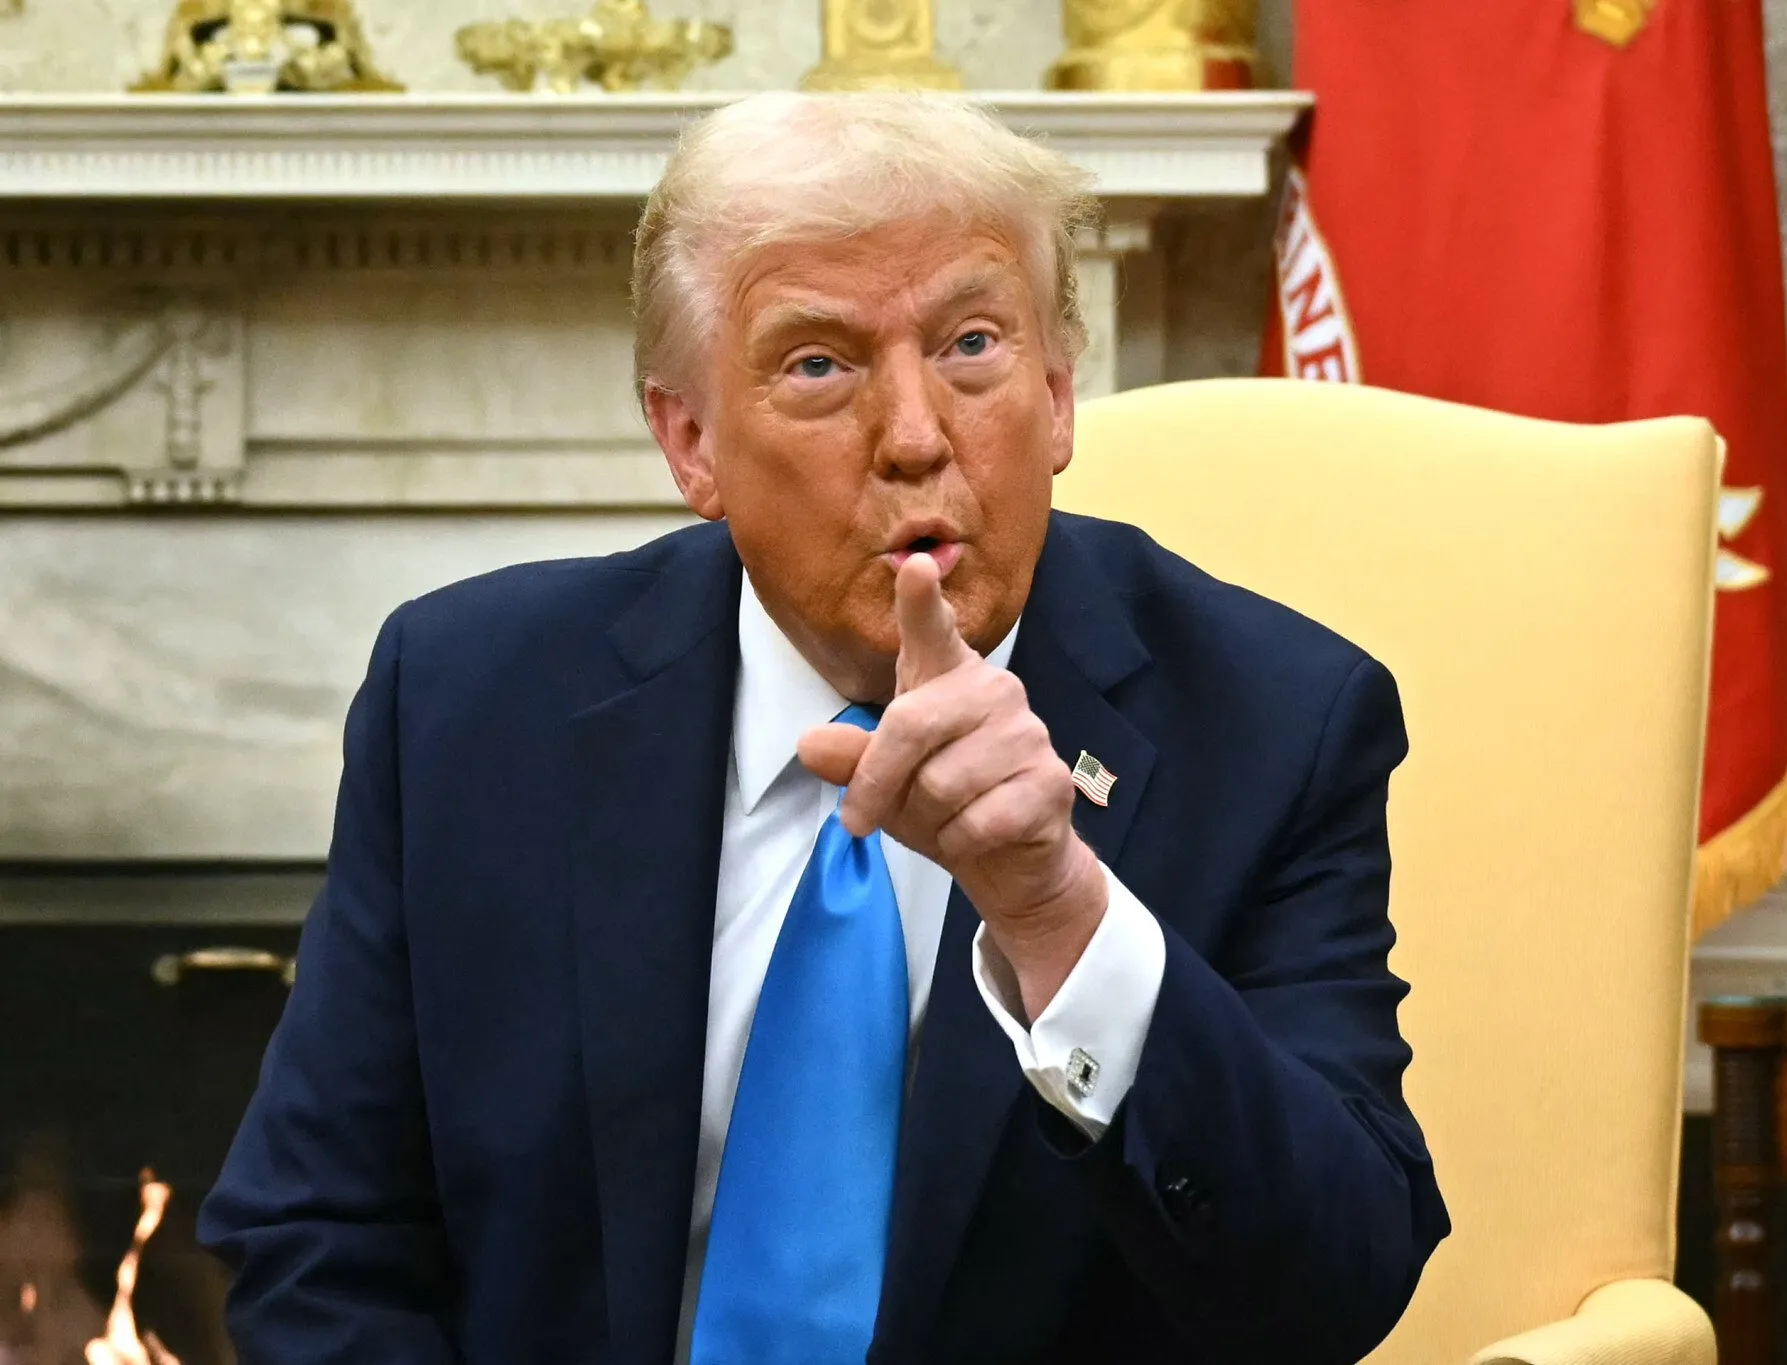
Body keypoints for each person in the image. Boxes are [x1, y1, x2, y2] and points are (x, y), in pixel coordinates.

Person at [198, 92, 1448, 1365]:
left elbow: (1332, 1288)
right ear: (690, 442)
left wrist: (1059, 913)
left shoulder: (1275, 721)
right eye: (818, 365)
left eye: (971, 345)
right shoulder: (470, 699)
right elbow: (315, 1238)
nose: (915, 437)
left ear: (1060, 397)